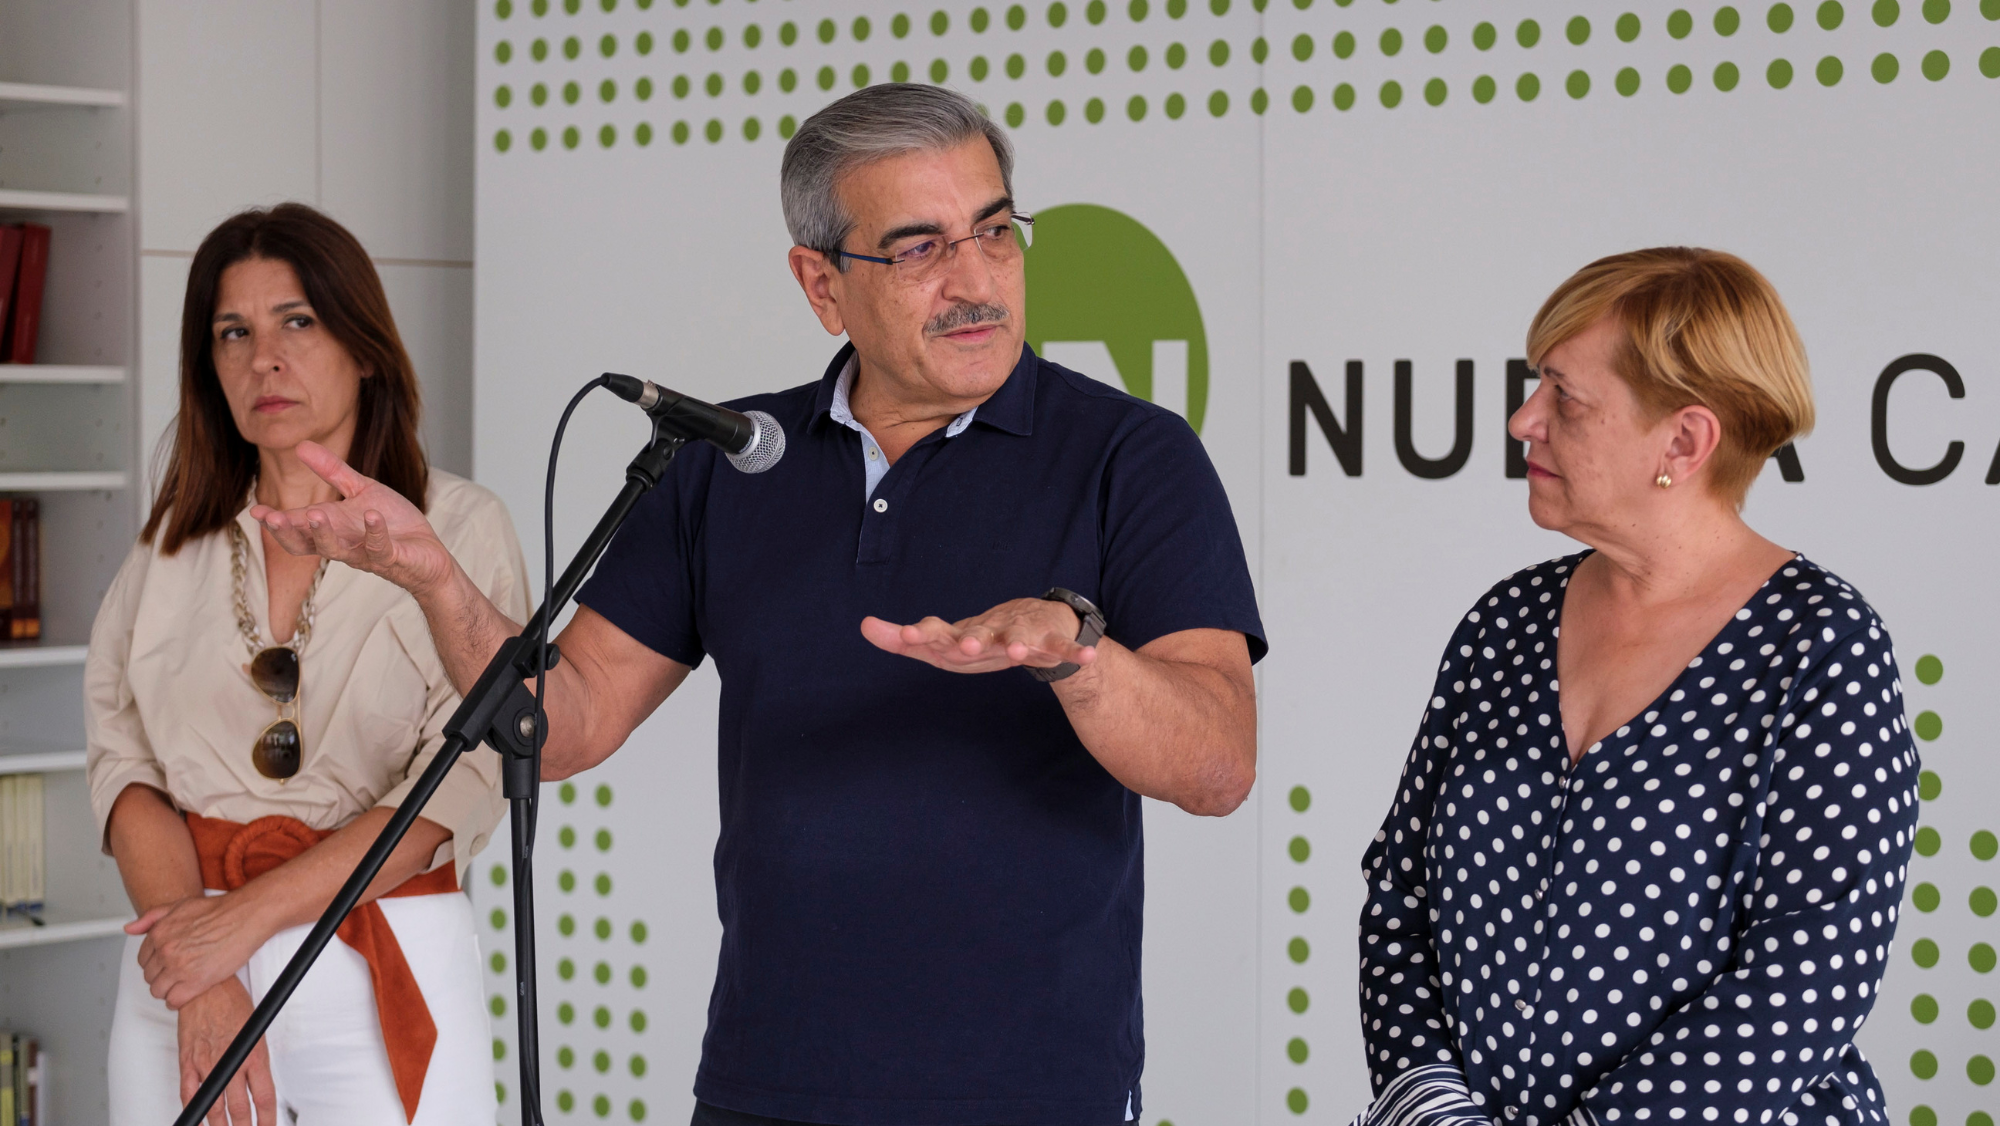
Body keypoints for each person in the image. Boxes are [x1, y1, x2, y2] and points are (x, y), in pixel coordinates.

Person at [247, 84, 1266, 1126]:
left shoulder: (1130, 458)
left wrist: (1075, 653)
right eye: (920, 249)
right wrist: (432, 576)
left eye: (994, 232)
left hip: (1028, 1090)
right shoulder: (731, 459)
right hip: (765, 1084)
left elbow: (1218, 763)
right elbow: (562, 723)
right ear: (820, 284)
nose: (975, 279)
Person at [1352, 248, 1918, 1126]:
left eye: (1564, 396)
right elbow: (1401, 901)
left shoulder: (1821, 649)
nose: (1522, 419)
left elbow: (1808, 974)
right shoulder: (1506, 623)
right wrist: (1432, 1109)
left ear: (1683, 442)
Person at [87, 203, 528, 1126]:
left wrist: (240, 925)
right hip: (176, 954)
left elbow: (467, 776)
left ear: (364, 346)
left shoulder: (456, 529)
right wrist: (198, 961)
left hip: (383, 948)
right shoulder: (169, 544)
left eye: (298, 321)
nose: (264, 359)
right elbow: (122, 767)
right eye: (232, 333)